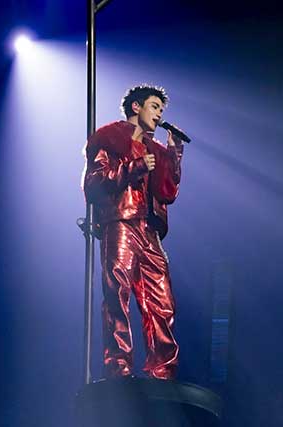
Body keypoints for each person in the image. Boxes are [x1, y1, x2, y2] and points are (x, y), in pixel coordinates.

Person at [82, 84, 185, 380]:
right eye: (155, 106)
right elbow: (94, 183)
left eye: (162, 109)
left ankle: (163, 370)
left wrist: (174, 151)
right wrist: (134, 168)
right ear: (136, 107)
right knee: (117, 292)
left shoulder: (155, 150)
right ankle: (119, 365)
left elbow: (168, 191)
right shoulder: (110, 138)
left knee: (162, 300)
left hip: (149, 230)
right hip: (121, 220)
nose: (159, 114)